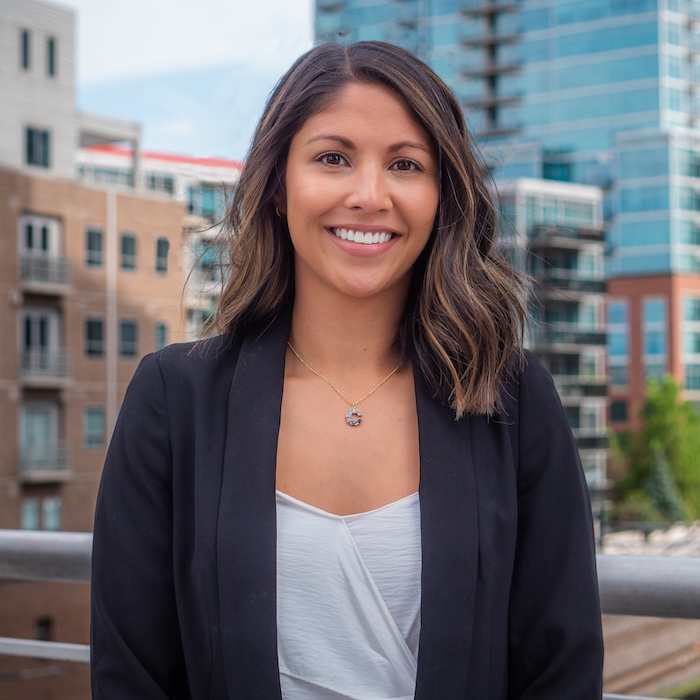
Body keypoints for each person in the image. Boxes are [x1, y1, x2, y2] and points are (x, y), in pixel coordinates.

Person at [90, 41, 603, 699]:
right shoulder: (173, 399)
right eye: (333, 158)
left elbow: (561, 673)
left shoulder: (514, 397)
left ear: (441, 197)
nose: (369, 194)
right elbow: (130, 677)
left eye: (405, 164)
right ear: (278, 186)